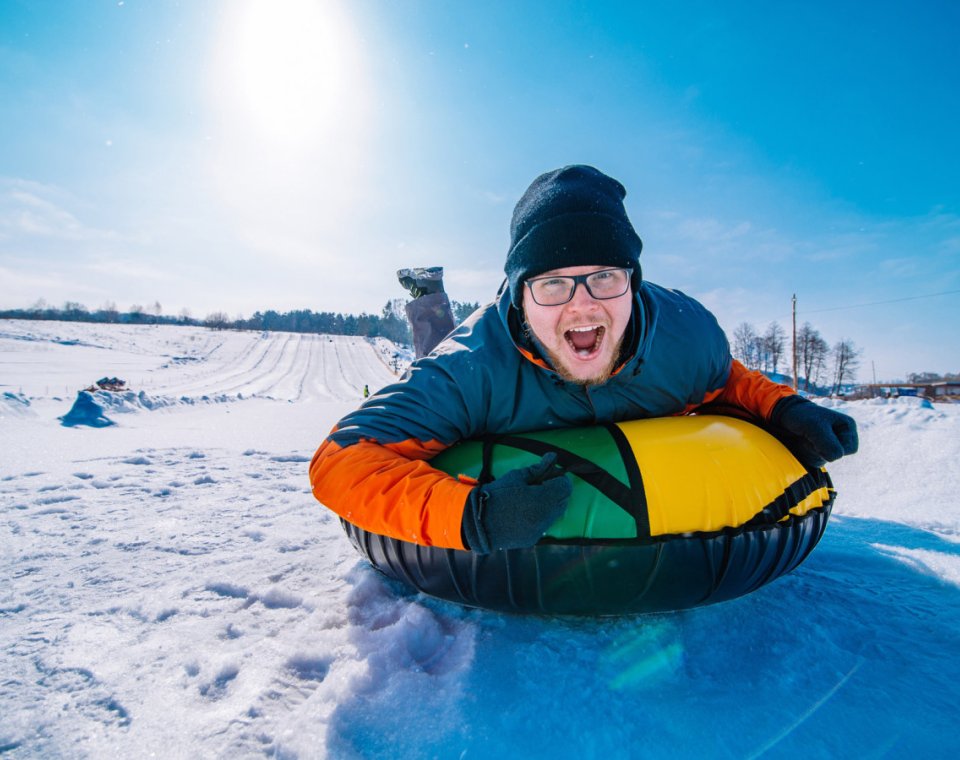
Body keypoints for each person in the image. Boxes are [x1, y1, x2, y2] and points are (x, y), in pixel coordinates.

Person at [310, 165, 858, 554]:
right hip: (493, 376)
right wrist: (471, 517)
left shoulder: (686, 335)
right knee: (434, 359)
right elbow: (339, 461)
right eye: (551, 284)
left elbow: (722, 381)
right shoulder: (472, 367)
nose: (583, 303)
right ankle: (427, 297)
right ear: (520, 294)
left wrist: (784, 408)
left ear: (633, 284)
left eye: (604, 277)